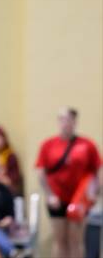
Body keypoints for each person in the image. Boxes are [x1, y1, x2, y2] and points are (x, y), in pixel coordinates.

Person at [36, 107, 101, 258]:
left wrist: (96, 192)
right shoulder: (48, 145)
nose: (65, 123)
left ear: (74, 122)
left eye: (68, 119)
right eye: (61, 119)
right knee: (60, 241)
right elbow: (41, 172)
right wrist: (50, 195)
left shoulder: (87, 145)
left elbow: (98, 169)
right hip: (57, 198)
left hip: (79, 199)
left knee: (76, 240)